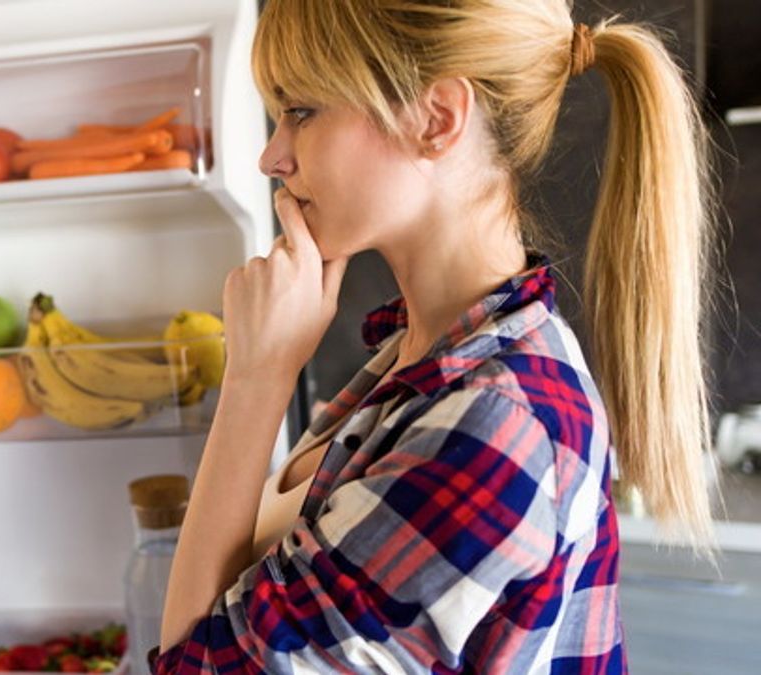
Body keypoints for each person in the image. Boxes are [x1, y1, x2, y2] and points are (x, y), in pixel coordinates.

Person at [151, 0, 716, 672]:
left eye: (301, 111)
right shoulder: (419, 357)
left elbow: (197, 664)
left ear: (437, 118)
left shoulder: (493, 421)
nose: (272, 156)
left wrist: (255, 380)